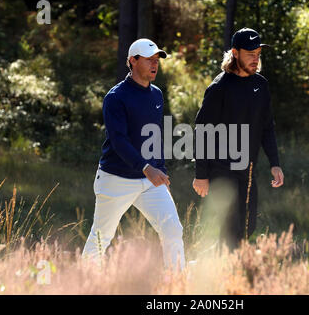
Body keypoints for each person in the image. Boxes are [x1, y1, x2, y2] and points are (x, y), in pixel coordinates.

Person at [82, 38, 185, 272]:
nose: (154, 64)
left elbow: (154, 138)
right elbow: (119, 141)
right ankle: (83, 282)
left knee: (172, 229)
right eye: (149, 59)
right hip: (115, 179)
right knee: (101, 237)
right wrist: (147, 168)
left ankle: (178, 283)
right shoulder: (116, 97)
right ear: (132, 61)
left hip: (149, 180)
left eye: (156, 60)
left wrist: (161, 172)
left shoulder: (157, 94)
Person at [192, 28, 284, 251]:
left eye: (258, 54)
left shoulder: (260, 85)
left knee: (247, 226)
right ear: (235, 52)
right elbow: (202, 131)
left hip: (248, 169)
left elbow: (267, 127)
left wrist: (275, 163)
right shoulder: (219, 88)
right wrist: (201, 175)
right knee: (231, 228)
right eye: (250, 54)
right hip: (221, 169)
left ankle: (210, 262)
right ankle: (223, 275)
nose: (255, 59)